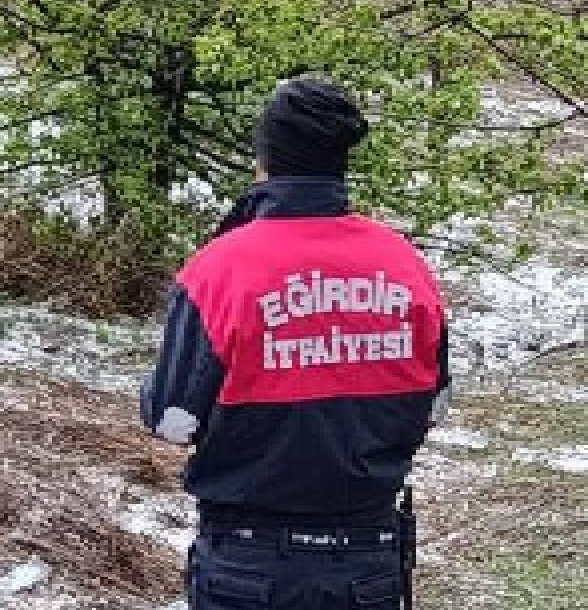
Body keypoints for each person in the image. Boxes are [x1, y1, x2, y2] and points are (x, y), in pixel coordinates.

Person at [141, 77, 449, 610]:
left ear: (263, 160)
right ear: (341, 161)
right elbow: (434, 404)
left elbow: (172, 419)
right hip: (369, 562)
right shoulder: (404, 263)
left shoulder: (221, 268)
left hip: (249, 563)